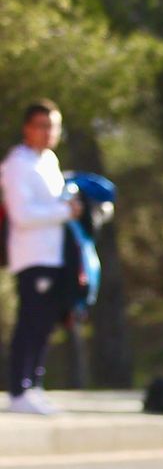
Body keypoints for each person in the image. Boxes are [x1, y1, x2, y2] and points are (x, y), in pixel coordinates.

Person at [4, 100, 83, 415]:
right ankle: (18, 389)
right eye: (42, 125)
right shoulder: (16, 163)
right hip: (31, 255)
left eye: (54, 126)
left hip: (55, 256)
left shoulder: (49, 160)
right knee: (30, 321)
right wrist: (65, 211)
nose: (49, 132)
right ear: (27, 128)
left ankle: (34, 385)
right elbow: (22, 215)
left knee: (46, 323)